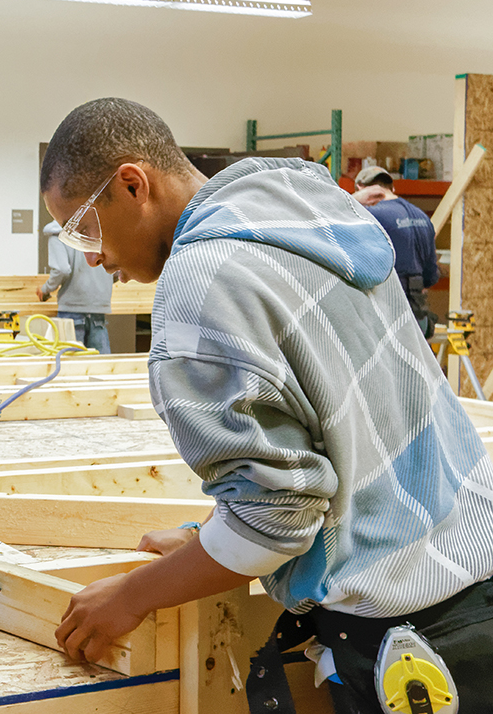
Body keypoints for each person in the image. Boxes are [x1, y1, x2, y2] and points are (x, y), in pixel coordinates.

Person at [41, 98, 493, 712]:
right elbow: (338, 425)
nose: (91, 256)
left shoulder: (201, 286)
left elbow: (276, 519)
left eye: (86, 229)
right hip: (473, 562)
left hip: (406, 629)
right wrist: (210, 543)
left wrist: (131, 595)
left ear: (131, 183)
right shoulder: (304, 203)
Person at [352, 165, 440, 340]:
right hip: (417, 318)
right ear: (392, 188)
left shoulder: (370, 215)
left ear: (361, 189)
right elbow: (431, 277)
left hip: (385, 314)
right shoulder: (422, 216)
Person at [36, 219, 114, 354]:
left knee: (70, 368)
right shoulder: (101, 230)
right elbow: (115, 269)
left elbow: (61, 269)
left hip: (72, 309)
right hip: (98, 308)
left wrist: (46, 289)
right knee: (102, 367)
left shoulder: (58, 233)